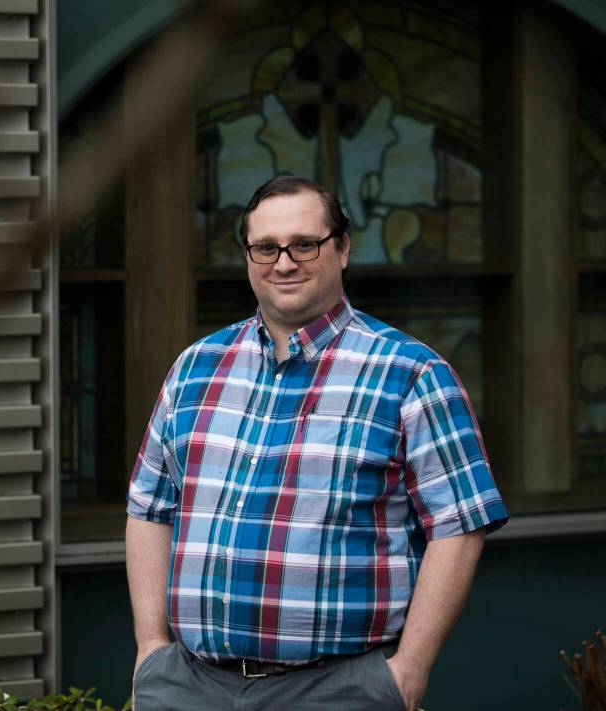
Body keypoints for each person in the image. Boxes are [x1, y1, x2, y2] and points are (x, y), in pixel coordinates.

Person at [126, 175, 508, 711]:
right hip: (188, 686)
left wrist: (408, 672)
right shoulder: (195, 369)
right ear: (248, 256)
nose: (284, 263)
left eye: (305, 244)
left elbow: (459, 526)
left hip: (337, 691)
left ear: (343, 248)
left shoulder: (412, 373)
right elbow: (149, 507)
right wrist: (151, 650)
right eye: (266, 247)